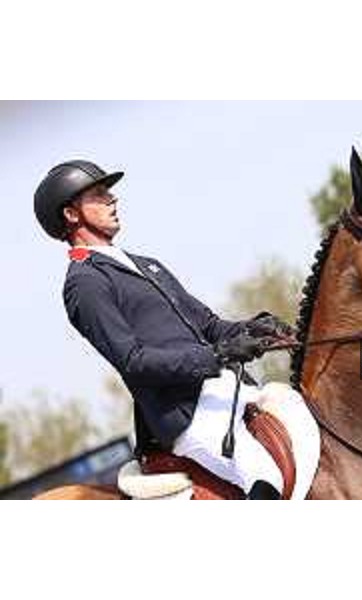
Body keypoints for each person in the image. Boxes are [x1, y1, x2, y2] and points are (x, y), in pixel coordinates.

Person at [34, 160, 294, 499]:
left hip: (225, 389)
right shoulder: (85, 283)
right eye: (99, 195)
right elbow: (134, 361)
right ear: (71, 215)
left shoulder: (146, 264)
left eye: (109, 193)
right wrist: (216, 356)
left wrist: (255, 329)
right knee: (265, 474)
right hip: (187, 414)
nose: (113, 199)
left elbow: (209, 325)